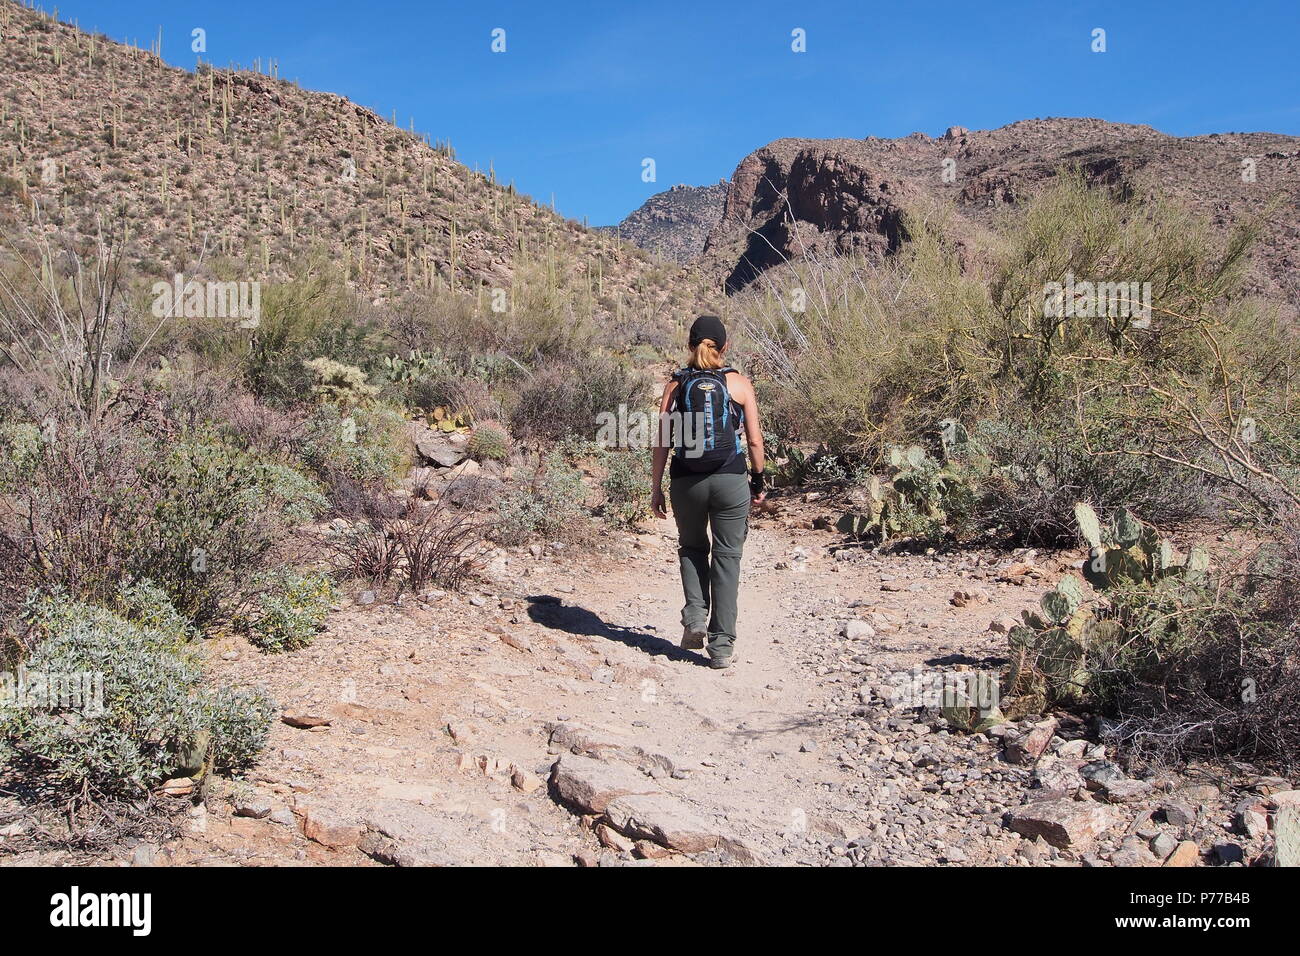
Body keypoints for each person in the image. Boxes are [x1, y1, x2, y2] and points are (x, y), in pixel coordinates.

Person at [651, 315, 766, 669]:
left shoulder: (675, 385)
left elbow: (662, 442)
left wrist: (655, 487)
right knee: (727, 558)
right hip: (730, 479)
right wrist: (759, 481)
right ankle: (721, 647)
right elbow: (755, 440)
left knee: (692, 547)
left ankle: (696, 617)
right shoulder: (739, 383)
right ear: (725, 347)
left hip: (687, 480)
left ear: (690, 346)